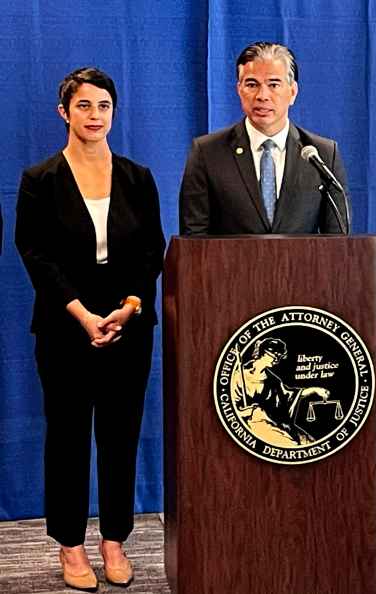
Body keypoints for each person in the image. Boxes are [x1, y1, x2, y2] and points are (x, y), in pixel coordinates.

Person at [15, 67, 165, 591]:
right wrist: (80, 313)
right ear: (65, 112)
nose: (95, 115)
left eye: (103, 105)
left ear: (113, 113)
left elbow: (152, 251)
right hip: (64, 329)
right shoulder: (40, 180)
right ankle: (72, 546)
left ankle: (114, 540)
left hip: (128, 329)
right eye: (84, 106)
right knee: (70, 438)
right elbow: (35, 253)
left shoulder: (137, 177)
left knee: (121, 437)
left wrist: (129, 306)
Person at [179, 41, 350, 235]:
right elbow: (194, 240)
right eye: (252, 84)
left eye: (274, 84)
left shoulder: (323, 155)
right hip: (229, 266)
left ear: (292, 92)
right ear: (239, 89)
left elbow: (338, 244)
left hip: (302, 266)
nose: (262, 95)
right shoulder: (207, 153)